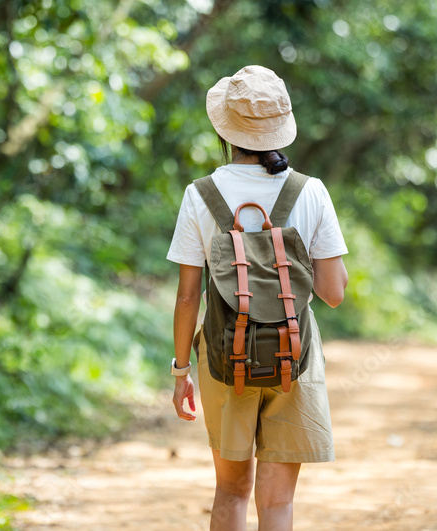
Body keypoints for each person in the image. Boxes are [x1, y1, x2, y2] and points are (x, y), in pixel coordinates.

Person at [166, 65, 349, 531]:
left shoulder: (200, 194)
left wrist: (181, 371)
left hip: (225, 360)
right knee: (278, 504)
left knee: (230, 493)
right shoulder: (310, 192)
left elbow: (189, 298)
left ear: (226, 130)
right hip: (295, 355)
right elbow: (332, 294)